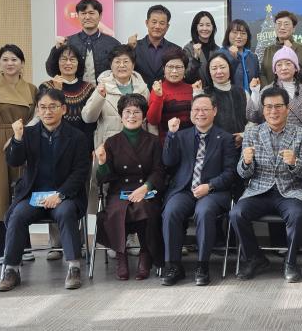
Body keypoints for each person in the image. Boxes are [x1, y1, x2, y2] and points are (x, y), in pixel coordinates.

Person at [0, 88, 91, 292]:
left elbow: (81, 172)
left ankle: (74, 267)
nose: (48, 112)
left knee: (66, 212)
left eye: (53, 107)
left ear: (63, 109)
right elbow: (14, 161)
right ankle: (11, 269)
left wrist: (60, 194)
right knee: (18, 215)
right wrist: (17, 138)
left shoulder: (77, 137)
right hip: (33, 196)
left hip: (64, 196)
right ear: (37, 111)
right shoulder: (28, 134)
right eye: (43, 107)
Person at [229, 87, 302, 282]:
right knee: (236, 214)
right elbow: (243, 173)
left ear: (287, 108)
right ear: (263, 110)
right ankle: (254, 258)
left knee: (298, 215)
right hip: (259, 190)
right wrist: (246, 162)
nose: (273, 111)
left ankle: (290, 263)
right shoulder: (252, 133)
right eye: (268, 107)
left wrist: (294, 163)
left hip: (290, 190)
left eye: (278, 106)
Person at [160, 94, 238, 286]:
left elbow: (231, 173)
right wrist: (171, 134)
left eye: (205, 109)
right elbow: (168, 162)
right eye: (196, 109)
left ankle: (202, 266)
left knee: (204, 211)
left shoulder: (225, 138)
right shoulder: (181, 135)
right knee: (171, 211)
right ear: (190, 113)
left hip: (213, 192)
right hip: (185, 190)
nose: (200, 113)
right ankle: (173, 266)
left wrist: (210, 186)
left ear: (214, 111)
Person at [0, 44, 38, 265]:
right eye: (5, 59)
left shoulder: (31, 89)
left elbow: (36, 117)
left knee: (21, 191)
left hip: (21, 138)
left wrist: (21, 134)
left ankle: (23, 244)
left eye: (14, 59)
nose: (10, 63)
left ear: (22, 63)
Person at [94, 94, 165, 281]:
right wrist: (102, 162)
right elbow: (104, 179)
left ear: (144, 116)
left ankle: (145, 255)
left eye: (136, 112)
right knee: (117, 210)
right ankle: (121, 256)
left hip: (146, 190)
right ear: (121, 115)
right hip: (119, 191)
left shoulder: (153, 141)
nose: (131, 116)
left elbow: (159, 171)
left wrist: (146, 187)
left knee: (144, 208)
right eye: (127, 112)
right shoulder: (112, 142)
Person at [40, 44, 97, 260]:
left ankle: (77, 242)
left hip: (81, 150)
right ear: (56, 62)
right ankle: (56, 244)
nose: (68, 63)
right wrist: (57, 89)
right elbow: (45, 115)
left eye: (73, 59)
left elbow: (91, 120)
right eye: (63, 59)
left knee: (78, 194)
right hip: (51, 149)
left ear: (79, 64)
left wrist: (92, 147)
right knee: (52, 191)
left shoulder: (89, 88)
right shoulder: (47, 86)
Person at [82, 45, 151, 216]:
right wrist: (99, 96)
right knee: (108, 193)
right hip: (109, 149)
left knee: (137, 192)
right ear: (110, 65)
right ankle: (109, 227)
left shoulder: (142, 88)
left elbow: (148, 120)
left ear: (133, 64)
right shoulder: (102, 86)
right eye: (117, 62)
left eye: (126, 61)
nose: (121, 65)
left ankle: (135, 226)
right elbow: (88, 117)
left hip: (138, 148)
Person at [248, 45, 302, 143]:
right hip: (273, 142)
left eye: (288, 64)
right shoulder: (267, 91)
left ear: (296, 68)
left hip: (300, 142)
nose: (284, 68)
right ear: (275, 70)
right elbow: (253, 117)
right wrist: (255, 93)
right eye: (279, 65)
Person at [50, 0, 121, 85]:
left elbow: (120, 71)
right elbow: (51, 71)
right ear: (78, 16)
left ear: (100, 16)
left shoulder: (113, 43)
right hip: (75, 91)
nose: (87, 17)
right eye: (83, 13)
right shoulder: (68, 42)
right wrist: (56, 50)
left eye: (91, 13)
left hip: (105, 91)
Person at [147, 48, 202, 144]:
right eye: (170, 67)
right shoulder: (158, 89)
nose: (174, 71)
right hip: (167, 143)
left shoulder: (192, 89)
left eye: (178, 67)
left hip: (192, 142)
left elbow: (200, 118)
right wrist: (159, 96)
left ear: (185, 69)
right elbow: (153, 120)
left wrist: (198, 94)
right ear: (164, 69)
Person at [128, 4, 182, 88]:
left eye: (162, 23)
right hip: (140, 94)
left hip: (167, 94)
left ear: (167, 26)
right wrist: (128, 49)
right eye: (154, 22)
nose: (157, 26)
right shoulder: (134, 47)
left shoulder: (176, 50)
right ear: (147, 23)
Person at [203, 52, 248, 148]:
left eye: (222, 67)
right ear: (209, 72)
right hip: (215, 147)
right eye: (214, 68)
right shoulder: (204, 94)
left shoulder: (242, 92)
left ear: (229, 68)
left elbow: (252, 120)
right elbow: (201, 124)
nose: (219, 71)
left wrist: (243, 135)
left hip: (242, 147)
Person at [260, 11, 302, 86]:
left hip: (291, 91)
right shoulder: (268, 49)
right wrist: (268, 89)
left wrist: (289, 50)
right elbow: (262, 73)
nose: (282, 27)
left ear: (293, 29)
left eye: (286, 24)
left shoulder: (299, 48)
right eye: (279, 24)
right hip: (269, 91)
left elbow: (300, 74)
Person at [215, 19, 260, 93]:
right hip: (229, 97)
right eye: (235, 32)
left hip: (251, 98)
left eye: (243, 33)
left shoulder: (253, 57)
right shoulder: (220, 55)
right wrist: (233, 58)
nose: (239, 36)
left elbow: (257, 79)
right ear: (228, 34)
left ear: (248, 36)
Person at [182, 10, 219, 84]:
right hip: (197, 90)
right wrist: (196, 58)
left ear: (213, 27)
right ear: (196, 27)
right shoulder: (188, 49)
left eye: (208, 25)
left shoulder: (218, 50)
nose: (205, 28)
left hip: (216, 90)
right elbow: (187, 77)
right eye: (201, 25)